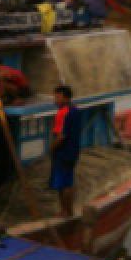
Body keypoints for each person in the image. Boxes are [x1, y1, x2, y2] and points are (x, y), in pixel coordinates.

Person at [49, 84, 81, 217]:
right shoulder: (76, 111)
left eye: (57, 97)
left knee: (64, 184)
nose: (55, 100)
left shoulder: (64, 112)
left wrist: (51, 147)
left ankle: (66, 211)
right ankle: (67, 211)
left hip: (63, 152)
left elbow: (61, 136)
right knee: (67, 182)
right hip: (72, 151)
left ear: (65, 97)